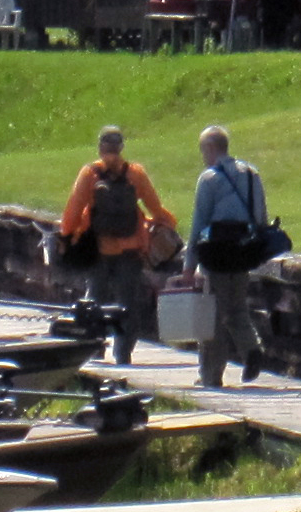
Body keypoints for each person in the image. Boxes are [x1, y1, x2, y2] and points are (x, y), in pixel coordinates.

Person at [60, 124, 178, 366]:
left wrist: (68, 235)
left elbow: (72, 211)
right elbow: (155, 208)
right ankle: (123, 353)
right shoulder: (135, 174)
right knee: (128, 304)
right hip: (130, 250)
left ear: (100, 147)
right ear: (121, 147)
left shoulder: (89, 174)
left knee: (94, 300)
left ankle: (94, 349)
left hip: (98, 249)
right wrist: (169, 224)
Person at [189, 124, 278, 386]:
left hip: (214, 256)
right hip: (242, 252)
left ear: (210, 148)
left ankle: (210, 375)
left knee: (212, 315)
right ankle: (251, 349)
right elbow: (261, 216)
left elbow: (198, 223)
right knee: (238, 308)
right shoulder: (252, 174)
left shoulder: (208, 178)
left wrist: (188, 264)